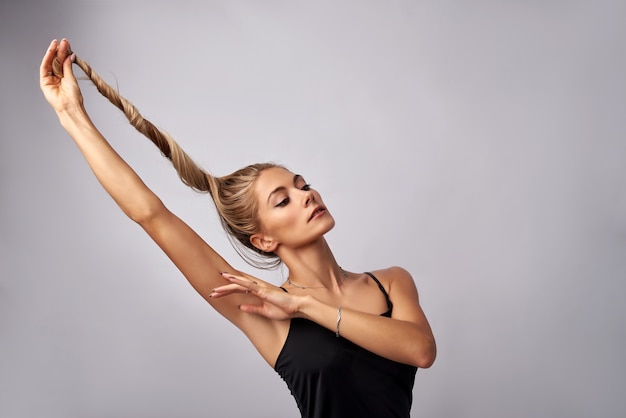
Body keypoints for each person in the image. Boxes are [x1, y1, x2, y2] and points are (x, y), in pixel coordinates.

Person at [40, 38, 436, 418]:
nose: (307, 196)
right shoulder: (258, 309)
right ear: (263, 239)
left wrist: (304, 306)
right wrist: (72, 116)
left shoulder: (391, 283)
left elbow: (420, 351)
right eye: (283, 200)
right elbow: (152, 215)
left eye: (303, 185)